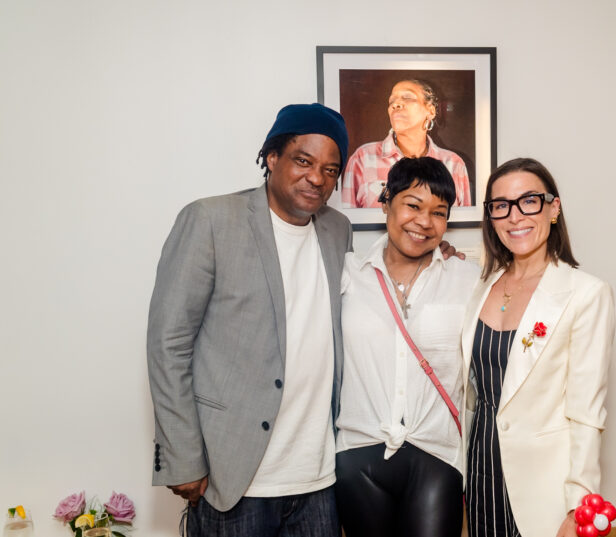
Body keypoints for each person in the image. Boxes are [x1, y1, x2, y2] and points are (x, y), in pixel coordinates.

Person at [147, 103, 352, 537]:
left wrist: (440, 257)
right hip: (233, 474)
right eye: (303, 161)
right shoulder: (210, 220)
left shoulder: (338, 230)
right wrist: (182, 456)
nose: (317, 178)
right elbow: (169, 344)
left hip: (318, 475)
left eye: (330, 170)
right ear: (272, 157)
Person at [460, 158, 615, 537]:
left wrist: (579, 505)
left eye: (529, 201)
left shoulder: (587, 294)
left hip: (542, 488)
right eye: (501, 206)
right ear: (491, 217)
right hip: (479, 468)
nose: (515, 217)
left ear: (553, 208)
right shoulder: (481, 285)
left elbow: (586, 413)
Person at [335, 157, 480, 537]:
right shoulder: (347, 272)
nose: (424, 221)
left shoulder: (468, 278)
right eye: (413, 205)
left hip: (436, 452)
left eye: (439, 212)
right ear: (386, 202)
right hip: (357, 451)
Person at [341, 79, 472, 208]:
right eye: (391, 101)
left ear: (431, 111)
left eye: (408, 98)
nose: (395, 104)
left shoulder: (454, 165)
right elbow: (348, 221)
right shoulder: (363, 158)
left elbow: (461, 226)